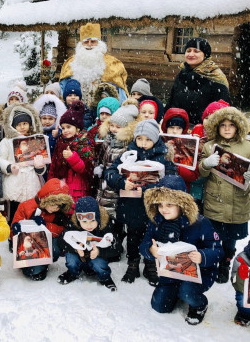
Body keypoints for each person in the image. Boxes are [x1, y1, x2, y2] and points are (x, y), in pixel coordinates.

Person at [140, 175, 223, 326]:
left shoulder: (200, 223)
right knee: (159, 306)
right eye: (160, 204)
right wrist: (150, 250)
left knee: (187, 291)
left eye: (170, 204)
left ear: (181, 204)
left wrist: (202, 256)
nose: (163, 209)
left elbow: (217, 251)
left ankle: (199, 304)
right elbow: (145, 243)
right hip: (170, 272)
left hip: (198, 274)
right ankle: (176, 292)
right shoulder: (156, 221)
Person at [105, 119, 177, 284]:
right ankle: (133, 263)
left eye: (148, 139)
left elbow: (172, 181)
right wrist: (122, 182)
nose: (143, 143)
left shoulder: (163, 158)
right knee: (133, 236)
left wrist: (149, 189)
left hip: (154, 208)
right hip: (132, 206)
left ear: (155, 140)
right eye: (139, 139)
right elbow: (110, 172)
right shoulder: (128, 155)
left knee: (152, 236)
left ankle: (150, 264)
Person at [199, 106, 250, 283]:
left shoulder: (246, 146)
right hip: (215, 199)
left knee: (230, 237)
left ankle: (225, 263)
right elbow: (202, 173)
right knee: (214, 235)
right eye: (223, 124)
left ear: (238, 127)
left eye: (231, 125)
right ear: (216, 126)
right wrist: (206, 164)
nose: (226, 128)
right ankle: (212, 261)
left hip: (237, 201)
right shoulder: (210, 146)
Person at [93, 103, 139, 260]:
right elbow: (101, 157)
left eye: (117, 127)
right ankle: (109, 245)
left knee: (116, 217)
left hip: (118, 186)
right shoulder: (107, 140)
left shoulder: (128, 145)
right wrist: (99, 167)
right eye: (111, 125)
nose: (113, 129)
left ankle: (115, 246)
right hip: (104, 185)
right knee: (105, 215)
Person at [10, 178, 74, 281]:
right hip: (27, 245)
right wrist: (16, 230)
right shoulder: (25, 206)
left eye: (58, 206)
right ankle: (35, 265)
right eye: (53, 204)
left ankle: (43, 263)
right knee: (30, 272)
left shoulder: (59, 213)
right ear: (46, 199)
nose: (55, 209)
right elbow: (13, 231)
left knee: (54, 251)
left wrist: (45, 226)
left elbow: (62, 230)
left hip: (45, 245)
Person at [0, 102, 46, 230]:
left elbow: (40, 162)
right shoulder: (7, 141)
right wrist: (9, 167)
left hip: (31, 181)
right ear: (13, 126)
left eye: (25, 123)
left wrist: (39, 166)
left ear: (30, 124)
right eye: (18, 124)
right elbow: (0, 158)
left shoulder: (35, 140)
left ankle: (27, 234)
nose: (22, 127)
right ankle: (13, 234)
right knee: (14, 211)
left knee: (29, 210)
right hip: (15, 180)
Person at [57, 197, 120, 290]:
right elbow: (61, 241)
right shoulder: (73, 224)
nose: (88, 225)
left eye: (92, 221)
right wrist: (76, 248)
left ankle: (105, 277)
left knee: (99, 264)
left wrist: (99, 251)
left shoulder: (105, 225)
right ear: (79, 220)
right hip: (80, 257)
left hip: (95, 257)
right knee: (71, 258)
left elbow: (116, 247)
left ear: (98, 218)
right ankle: (73, 273)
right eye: (84, 222)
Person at [165, 37, 231, 125]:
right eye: (188, 51)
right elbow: (172, 102)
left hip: (204, 131)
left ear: (205, 55)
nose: (191, 54)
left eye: (196, 51)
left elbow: (223, 110)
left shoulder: (214, 76)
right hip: (179, 127)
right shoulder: (182, 73)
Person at [59, 23, 129, 103]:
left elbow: (120, 95)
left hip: (103, 112)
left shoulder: (112, 64)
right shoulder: (70, 64)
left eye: (93, 41)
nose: (89, 45)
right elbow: (62, 91)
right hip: (75, 111)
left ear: (99, 43)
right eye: (86, 42)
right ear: (81, 44)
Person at [49, 101, 95, 203]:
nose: (65, 131)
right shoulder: (60, 141)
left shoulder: (84, 141)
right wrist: (51, 183)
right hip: (62, 185)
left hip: (78, 187)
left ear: (77, 128)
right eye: (63, 128)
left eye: (68, 127)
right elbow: (53, 165)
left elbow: (86, 169)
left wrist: (72, 157)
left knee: (75, 211)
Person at [161, 108, 199, 192]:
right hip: (160, 189)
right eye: (171, 127)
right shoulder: (158, 142)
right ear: (166, 127)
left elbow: (193, 175)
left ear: (183, 129)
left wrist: (176, 168)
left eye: (178, 128)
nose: (174, 131)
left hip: (181, 191)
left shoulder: (189, 145)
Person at [0, 81, 28, 148]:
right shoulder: (3, 115)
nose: (14, 101)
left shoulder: (27, 114)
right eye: (11, 99)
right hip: (6, 148)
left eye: (17, 99)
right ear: (8, 101)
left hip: (23, 147)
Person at [33, 93, 67, 158]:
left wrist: (58, 134)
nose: (47, 121)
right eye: (44, 118)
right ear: (40, 119)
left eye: (50, 118)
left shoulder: (57, 131)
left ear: (55, 119)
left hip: (53, 161)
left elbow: (64, 139)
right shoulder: (37, 132)